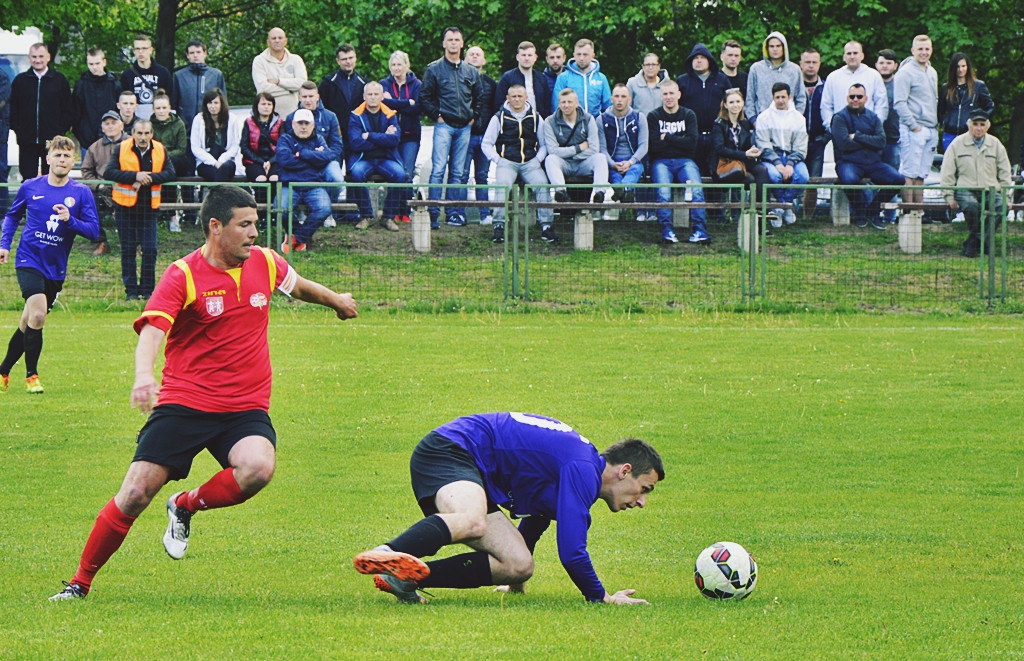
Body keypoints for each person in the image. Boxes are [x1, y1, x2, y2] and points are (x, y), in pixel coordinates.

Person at [48, 185, 357, 602]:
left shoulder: (265, 262)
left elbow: (299, 286)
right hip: (185, 403)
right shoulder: (184, 274)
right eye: (244, 225)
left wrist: (336, 300)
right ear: (216, 227)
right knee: (135, 494)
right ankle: (79, 584)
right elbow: (153, 329)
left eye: (256, 223)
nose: (254, 233)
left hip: (243, 407)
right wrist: (144, 376)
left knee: (257, 469)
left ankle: (186, 505)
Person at [351, 412, 663, 605]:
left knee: (519, 565)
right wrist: (601, 597)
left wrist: (514, 581)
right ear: (624, 471)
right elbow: (572, 553)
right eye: (644, 489)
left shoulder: (580, 467)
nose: (641, 501)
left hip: (469, 470)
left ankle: (406, 578)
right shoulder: (582, 468)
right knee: (473, 522)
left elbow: (537, 518)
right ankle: (385, 553)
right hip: (450, 451)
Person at [0, 136, 99, 394]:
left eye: (67, 156)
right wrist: (4, 244)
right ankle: (32, 376)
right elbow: (12, 216)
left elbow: (94, 231)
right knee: (38, 315)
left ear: (73, 160)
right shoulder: (31, 186)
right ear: (48, 158)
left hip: (55, 268)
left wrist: (70, 221)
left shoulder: (81, 193)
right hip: (28, 259)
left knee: (27, 323)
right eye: (57, 155)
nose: (62, 160)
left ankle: (2, 371)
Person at [420, 26, 483, 229]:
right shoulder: (434, 69)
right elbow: (424, 97)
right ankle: (433, 213)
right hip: (444, 126)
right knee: (438, 170)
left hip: (465, 127)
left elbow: (479, 98)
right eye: (450, 39)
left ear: (462, 43)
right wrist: (436, 116)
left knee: (457, 173)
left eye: (457, 39)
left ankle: (453, 214)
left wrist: (473, 118)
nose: (454, 43)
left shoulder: (471, 71)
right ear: (444, 43)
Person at [105, 120, 175, 300]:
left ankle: (147, 291)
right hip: (124, 208)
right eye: (139, 133)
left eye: (146, 133)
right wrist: (134, 176)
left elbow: (170, 173)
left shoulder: (160, 149)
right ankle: (131, 292)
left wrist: (148, 178)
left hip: (149, 209)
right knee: (128, 250)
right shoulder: (121, 148)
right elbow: (109, 172)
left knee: (150, 250)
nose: (143, 137)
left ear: (152, 134)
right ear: (133, 133)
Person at [481, 84, 552, 244]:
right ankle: (499, 225)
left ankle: (546, 226)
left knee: (542, 184)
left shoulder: (535, 117)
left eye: (520, 96)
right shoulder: (498, 117)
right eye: (513, 96)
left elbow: (544, 144)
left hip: (530, 162)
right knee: (502, 185)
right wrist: (498, 160)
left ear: (526, 97)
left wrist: (538, 159)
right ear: (508, 98)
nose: (517, 99)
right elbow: (486, 143)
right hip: (507, 162)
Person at [939, 108, 1012, 257]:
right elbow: (947, 172)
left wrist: (1007, 196)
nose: (978, 128)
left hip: (990, 189)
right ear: (969, 125)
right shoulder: (957, 144)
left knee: (1001, 206)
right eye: (975, 124)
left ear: (988, 126)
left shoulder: (996, 144)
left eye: (982, 124)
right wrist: (948, 196)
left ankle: (974, 242)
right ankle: (983, 242)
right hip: (965, 189)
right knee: (972, 206)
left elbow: (1005, 172)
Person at [831, 83, 904, 230]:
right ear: (847, 98)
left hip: (873, 162)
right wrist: (869, 142)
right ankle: (860, 211)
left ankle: (873, 210)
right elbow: (844, 144)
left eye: (859, 96)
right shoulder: (839, 118)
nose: (855, 99)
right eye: (852, 96)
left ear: (866, 98)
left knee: (898, 180)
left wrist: (857, 136)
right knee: (849, 180)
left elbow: (881, 141)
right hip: (848, 161)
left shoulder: (873, 117)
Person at [543, 87, 613, 241]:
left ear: (577, 103)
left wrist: (570, 153)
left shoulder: (588, 119)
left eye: (569, 102)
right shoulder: (549, 121)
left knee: (600, 158)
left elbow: (594, 148)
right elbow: (553, 151)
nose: (566, 105)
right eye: (563, 102)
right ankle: (561, 193)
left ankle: (599, 193)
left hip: (583, 163)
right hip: (564, 164)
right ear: (559, 104)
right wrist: (579, 148)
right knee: (550, 160)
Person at [648, 80, 708, 244]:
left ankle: (699, 231)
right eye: (665, 94)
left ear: (679, 94)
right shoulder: (654, 116)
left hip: (685, 161)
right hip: (661, 162)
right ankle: (667, 232)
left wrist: (666, 137)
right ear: (661, 96)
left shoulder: (688, 115)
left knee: (696, 189)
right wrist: (679, 140)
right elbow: (654, 146)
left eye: (671, 93)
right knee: (664, 192)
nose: (668, 97)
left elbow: (691, 144)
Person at [347, 81, 409, 231]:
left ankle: (388, 217)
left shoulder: (390, 114)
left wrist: (369, 136)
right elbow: (356, 143)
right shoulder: (356, 116)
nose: (373, 97)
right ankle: (366, 216)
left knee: (400, 175)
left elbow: (394, 139)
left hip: (386, 158)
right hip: (364, 158)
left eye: (376, 94)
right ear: (364, 96)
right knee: (355, 174)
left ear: (382, 96)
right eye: (370, 94)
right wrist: (383, 138)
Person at [9, 43, 73, 180]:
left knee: (51, 177)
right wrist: (19, 130)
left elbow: (68, 109)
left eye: (41, 56)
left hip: (52, 141)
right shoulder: (20, 81)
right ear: (29, 58)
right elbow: (13, 108)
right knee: (27, 178)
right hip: (27, 140)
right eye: (34, 57)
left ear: (48, 57)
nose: (37, 60)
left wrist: (60, 132)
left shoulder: (59, 80)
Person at [276, 108, 333, 253]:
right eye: (300, 123)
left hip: (314, 185)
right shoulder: (285, 139)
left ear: (313, 125)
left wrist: (301, 154)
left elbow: (326, 158)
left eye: (306, 123)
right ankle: (298, 234)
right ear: (293, 124)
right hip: (289, 185)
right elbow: (284, 161)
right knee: (281, 209)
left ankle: (296, 238)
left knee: (324, 209)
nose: (303, 126)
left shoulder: (319, 139)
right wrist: (313, 158)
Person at [893, 35, 939, 207]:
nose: (924, 52)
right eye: (920, 49)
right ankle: (908, 212)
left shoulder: (932, 72)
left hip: (931, 128)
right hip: (913, 128)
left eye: (927, 49)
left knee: (922, 174)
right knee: (909, 173)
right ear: (913, 50)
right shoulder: (905, 73)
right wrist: (913, 126)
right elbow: (899, 103)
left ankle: (919, 212)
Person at [755, 83, 808, 226]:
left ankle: (784, 204)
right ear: (772, 97)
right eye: (777, 97)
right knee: (773, 175)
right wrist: (777, 163)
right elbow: (763, 144)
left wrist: (790, 164)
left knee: (803, 176)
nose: (780, 100)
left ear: (789, 97)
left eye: (783, 97)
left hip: (793, 157)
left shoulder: (798, 118)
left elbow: (801, 145)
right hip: (771, 158)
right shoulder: (764, 117)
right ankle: (781, 206)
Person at [711, 88, 768, 214]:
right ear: (725, 105)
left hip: (741, 161)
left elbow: (745, 146)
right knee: (751, 180)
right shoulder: (719, 124)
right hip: (725, 164)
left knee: (762, 170)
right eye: (731, 102)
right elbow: (719, 149)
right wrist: (744, 154)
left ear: (742, 103)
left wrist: (752, 150)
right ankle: (750, 214)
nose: (735, 105)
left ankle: (761, 213)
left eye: (738, 101)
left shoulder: (745, 123)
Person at [80, 110, 127, 256]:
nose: (110, 126)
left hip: (127, 188)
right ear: (102, 127)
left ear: (122, 125)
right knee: (88, 203)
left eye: (114, 123)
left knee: (136, 209)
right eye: (107, 123)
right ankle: (102, 242)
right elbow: (86, 171)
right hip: (102, 190)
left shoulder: (132, 143)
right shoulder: (94, 147)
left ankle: (133, 245)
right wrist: (98, 185)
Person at [380, 50, 423, 197]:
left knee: (407, 172)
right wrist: (407, 102)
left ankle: (405, 210)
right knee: (394, 172)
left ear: (407, 65)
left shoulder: (417, 84)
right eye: (393, 65)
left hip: (411, 135)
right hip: (390, 135)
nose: (396, 68)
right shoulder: (384, 84)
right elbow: (384, 105)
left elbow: (418, 108)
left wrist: (394, 105)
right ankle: (393, 210)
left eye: (399, 64)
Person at [820, 42, 889, 130]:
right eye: (849, 53)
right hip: (840, 132)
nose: (852, 56)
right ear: (844, 57)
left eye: (855, 53)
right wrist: (833, 128)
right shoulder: (833, 77)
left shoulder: (874, 75)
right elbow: (826, 105)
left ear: (862, 56)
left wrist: (875, 126)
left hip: (868, 132)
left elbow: (881, 104)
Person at [463, 46, 497, 224]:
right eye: (471, 54)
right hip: (465, 135)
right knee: (462, 175)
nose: (475, 57)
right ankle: (458, 213)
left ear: (484, 60)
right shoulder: (459, 81)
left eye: (478, 55)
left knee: (482, 176)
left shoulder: (491, 83)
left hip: (485, 137)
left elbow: (496, 110)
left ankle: (485, 214)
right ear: (465, 59)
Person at [599, 84, 648, 203]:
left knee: (636, 169)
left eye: (623, 96)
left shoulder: (639, 117)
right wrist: (612, 164)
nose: (619, 100)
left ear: (629, 99)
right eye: (616, 96)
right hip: (612, 160)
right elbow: (602, 148)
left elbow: (644, 145)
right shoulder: (601, 119)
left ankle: (622, 189)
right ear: (611, 99)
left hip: (633, 160)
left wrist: (631, 162)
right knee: (612, 173)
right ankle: (625, 191)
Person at [319, 44, 368, 161]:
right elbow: (321, 109)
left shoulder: (364, 83)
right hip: (334, 137)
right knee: (335, 175)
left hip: (356, 135)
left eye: (351, 58)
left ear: (355, 58)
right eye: (344, 59)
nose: (348, 62)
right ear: (338, 61)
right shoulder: (328, 83)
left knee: (355, 174)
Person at [150, 90, 189, 232]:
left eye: (164, 108)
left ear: (169, 108)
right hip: (155, 160)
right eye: (158, 108)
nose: (161, 111)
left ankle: (172, 216)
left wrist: (163, 156)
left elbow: (181, 149)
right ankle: (154, 213)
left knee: (169, 171)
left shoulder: (179, 124)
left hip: (174, 159)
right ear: (153, 109)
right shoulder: (149, 125)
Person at [938, 53, 994, 151]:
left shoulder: (978, 86)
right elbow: (940, 111)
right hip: (950, 135)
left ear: (968, 67)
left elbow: (990, 106)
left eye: (963, 66)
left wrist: (979, 121)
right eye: (957, 66)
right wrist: (945, 122)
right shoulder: (945, 88)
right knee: (950, 164)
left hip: (970, 134)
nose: (960, 69)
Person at [745, 32, 804, 120]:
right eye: (771, 46)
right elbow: (750, 97)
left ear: (784, 48)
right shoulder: (756, 69)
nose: (775, 49)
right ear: (767, 48)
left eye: (778, 46)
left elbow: (801, 97)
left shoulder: (794, 70)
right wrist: (754, 120)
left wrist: (796, 118)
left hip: (788, 122)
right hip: (763, 121)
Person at [173, 38, 227, 134]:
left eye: (198, 52)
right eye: (192, 53)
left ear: (205, 53)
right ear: (187, 55)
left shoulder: (216, 75)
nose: (195, 55)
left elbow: (223, 102)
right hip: (186, 128)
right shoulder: (179, 76)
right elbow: (174, 103)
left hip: (211, 127)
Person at [72, 48, 120, 157]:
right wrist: (81, 134)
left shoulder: (114, 85)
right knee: (88, 172)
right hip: (87, 140)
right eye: (91, 64)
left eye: (97, 63)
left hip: (111, 138)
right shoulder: (81, 85)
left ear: (104, 62)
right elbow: (75, 112)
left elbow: (119, 111)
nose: (94, 67)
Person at [252, 27, 308, 118]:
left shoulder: (296, 59)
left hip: (293, 117)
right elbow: (262, 88)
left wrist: (279, 82)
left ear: (285, 41)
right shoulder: (259, 61)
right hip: (268, 118)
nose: (277, 41)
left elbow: (302, 84)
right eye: (273, 38)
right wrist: (291, 90)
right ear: (268, 42)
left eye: (280, 38)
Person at [190, 88, 243, 184]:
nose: (213, 106)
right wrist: (214, 162)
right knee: (218, 174)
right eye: (210, 103)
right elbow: (195, 147)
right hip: (205, 162)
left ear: (221, 104)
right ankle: (222, 198)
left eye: (216, 103)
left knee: (225, 169)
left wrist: (221, 161)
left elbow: (235, 145)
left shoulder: (232, 119)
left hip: (226, 161)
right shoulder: (198, 119)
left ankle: (215, 197)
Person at [240, 92, 281, 213]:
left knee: (274, 178)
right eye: (263, 104)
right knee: (261, 179)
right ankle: (262, 214)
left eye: (269, 104)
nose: (266, 106)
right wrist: (262, 162)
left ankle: (274, 214)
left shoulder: (280, 123)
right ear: (257, 105)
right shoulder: (248, 122)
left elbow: (283, 147)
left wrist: (270, 161)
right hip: (254, 161)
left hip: (275, 160)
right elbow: (244, 147)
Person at [551, 39, 612, 118]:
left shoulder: (601, 78)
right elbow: (556, 106)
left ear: (593, 56)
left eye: (585, 54)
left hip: (595, 125)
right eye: (578, 54)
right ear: (574, 55)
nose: (581, 58)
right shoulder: (563, 78)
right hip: (570, 126)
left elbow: (608, 107)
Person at [799, 48, 827, 219]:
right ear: (800, 64)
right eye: (807, 62)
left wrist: (825, 137)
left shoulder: (825, 88)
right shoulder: (794, 88)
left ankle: (807, 218)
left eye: (814, 62)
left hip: (817, 140)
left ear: (819, 64)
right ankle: (790, 212)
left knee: (814, 180)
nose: (810, 66)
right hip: (796, 141)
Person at [120, 34, 173, 121]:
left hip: (158, 119)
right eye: (137, 49)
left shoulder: (163, 73)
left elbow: (170, 98)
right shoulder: (127, 75)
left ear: (151, 50)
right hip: (135, 121)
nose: (141, 51)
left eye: (144, 48)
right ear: (133, 51)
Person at [494, 41, 552, 119]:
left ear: (535, 57)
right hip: (513, 124)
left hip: (537, 123)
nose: (527, 58)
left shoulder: (541, 78)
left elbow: (547, 104)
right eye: (523, 55)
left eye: (530, 55)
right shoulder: (507, 77)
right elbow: (499, 103)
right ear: (517, 57)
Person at [0, 64, 11, 214]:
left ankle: (2, 215)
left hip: (0, 137)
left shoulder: (2, 77)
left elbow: (3, 100)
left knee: (0, 174)